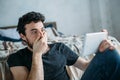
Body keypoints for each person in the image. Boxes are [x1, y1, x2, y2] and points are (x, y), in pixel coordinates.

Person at [7, 11, 120, 80]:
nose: (41, 35)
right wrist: (37, 54)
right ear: (22, 36)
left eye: (42, 30)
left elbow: (85, 66)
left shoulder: (59, 48)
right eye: (34, 31)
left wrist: (100, 53)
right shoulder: (16, 57)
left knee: (110, 53)